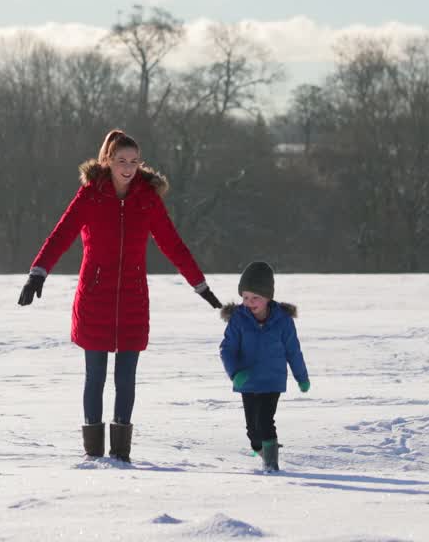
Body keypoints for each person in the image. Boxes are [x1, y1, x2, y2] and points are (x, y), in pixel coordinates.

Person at [18, 129, 223, 463]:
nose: (128, 167)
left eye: (134, 161)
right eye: (121, 161)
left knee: (126, 378)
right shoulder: (89, 196)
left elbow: (173, 245)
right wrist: (37, 274)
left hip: (132, 298)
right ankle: (93, 452)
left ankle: (121, 453)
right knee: (95, 376)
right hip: (95, 298)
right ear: (107, 161)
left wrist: (201, 286)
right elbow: (61, 234)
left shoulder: (147, 199)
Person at [219, 261, 309, 472]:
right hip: (247, 381)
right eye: (246, 297)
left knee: (265, 420)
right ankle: (262, 449)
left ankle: (272, 465)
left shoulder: (283, 321)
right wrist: (235, 373)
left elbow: (293, 351)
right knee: (253, 433)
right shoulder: (238, 320)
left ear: (268, 297)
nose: (249, 303)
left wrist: (301, 377)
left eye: (255, 298)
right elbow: (227, 349)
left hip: (271, 380)